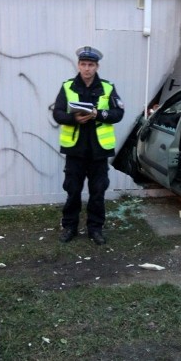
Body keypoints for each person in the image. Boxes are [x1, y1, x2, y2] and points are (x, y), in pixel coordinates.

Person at [52, 46, 125, 245]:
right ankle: (70, 227)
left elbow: (118, 114)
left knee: (98, 192)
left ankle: (95, 229)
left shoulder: (108, 87)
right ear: (78, 65)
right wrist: (74, 118)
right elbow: (57, 113)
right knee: (73, 191)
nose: (87, 68)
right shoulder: (67, 87)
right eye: (83, 64)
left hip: (99, 151)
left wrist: (98, 114)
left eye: (91, 65)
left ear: (96, 66)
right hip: (75, 150)